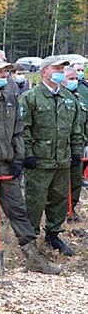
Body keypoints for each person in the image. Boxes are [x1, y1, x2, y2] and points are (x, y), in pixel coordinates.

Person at [0, 57, 61, 275]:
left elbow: (18, 131)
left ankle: (32, 255)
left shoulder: (10, 99)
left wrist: (18, 159)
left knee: (18, 211)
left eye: (6, 72)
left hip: (7, 166)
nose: (4, 76)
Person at [19, 56, 82, 256]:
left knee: (59, 199)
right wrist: (28, 155)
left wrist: (76, 152)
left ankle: (53, 234)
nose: (60, 73)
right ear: (44, 71)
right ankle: (30, 239)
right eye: (56, 69)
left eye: (62, 69)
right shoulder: (31, 98)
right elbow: (23, 130)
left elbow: (76, 129)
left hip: (63, 160)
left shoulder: (69, 98)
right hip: (39, 161)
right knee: (35, 201)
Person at [61, 66, 88, 223]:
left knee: (76, 180)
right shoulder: (57, 97)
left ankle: (71, 209)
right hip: (60, 148)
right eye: (70, 78)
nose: (75, 81)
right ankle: (58, 213)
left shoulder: (80, 98)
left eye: (75, 78)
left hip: (78, 146)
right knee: (59, 184)